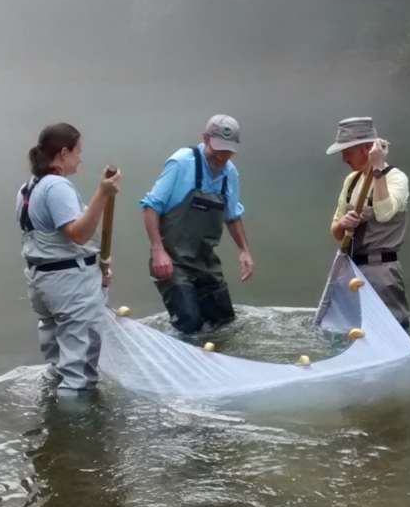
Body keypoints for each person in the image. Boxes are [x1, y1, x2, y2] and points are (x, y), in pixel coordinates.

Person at [17, 123, 121, 394]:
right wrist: (103, 193)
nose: (80, 157)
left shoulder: (28, 188)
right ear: (63, 153)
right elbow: (78, 234)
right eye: (78, 151)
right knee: (79, 374)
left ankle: (52, 418)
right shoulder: (57, 186)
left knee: (58, 365)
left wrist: (98, 267)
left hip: (43, 284)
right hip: (69, 288)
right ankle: (73, 431)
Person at [141, 114, 254, 334]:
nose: (222, 157)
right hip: (174, 262)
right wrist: (158, 251)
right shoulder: (182, 162)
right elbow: (150, 207)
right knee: (189, 323)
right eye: (219, 149)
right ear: (205, 138)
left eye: (228, 150)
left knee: (224, 323)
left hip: (205, 262)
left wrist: (244, 250)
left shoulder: (229, 172)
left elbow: (232, 215)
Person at [328, 116, 410, 329]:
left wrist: (377, 168)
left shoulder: (396, 178)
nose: (344, 159)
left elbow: (384, 213)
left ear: (366, 148)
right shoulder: (352, 180)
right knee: (351, 330)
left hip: (381, 271)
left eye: (347, 152)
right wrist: (343, 223)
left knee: (390, 329)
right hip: (350, 270)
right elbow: (336, 231)